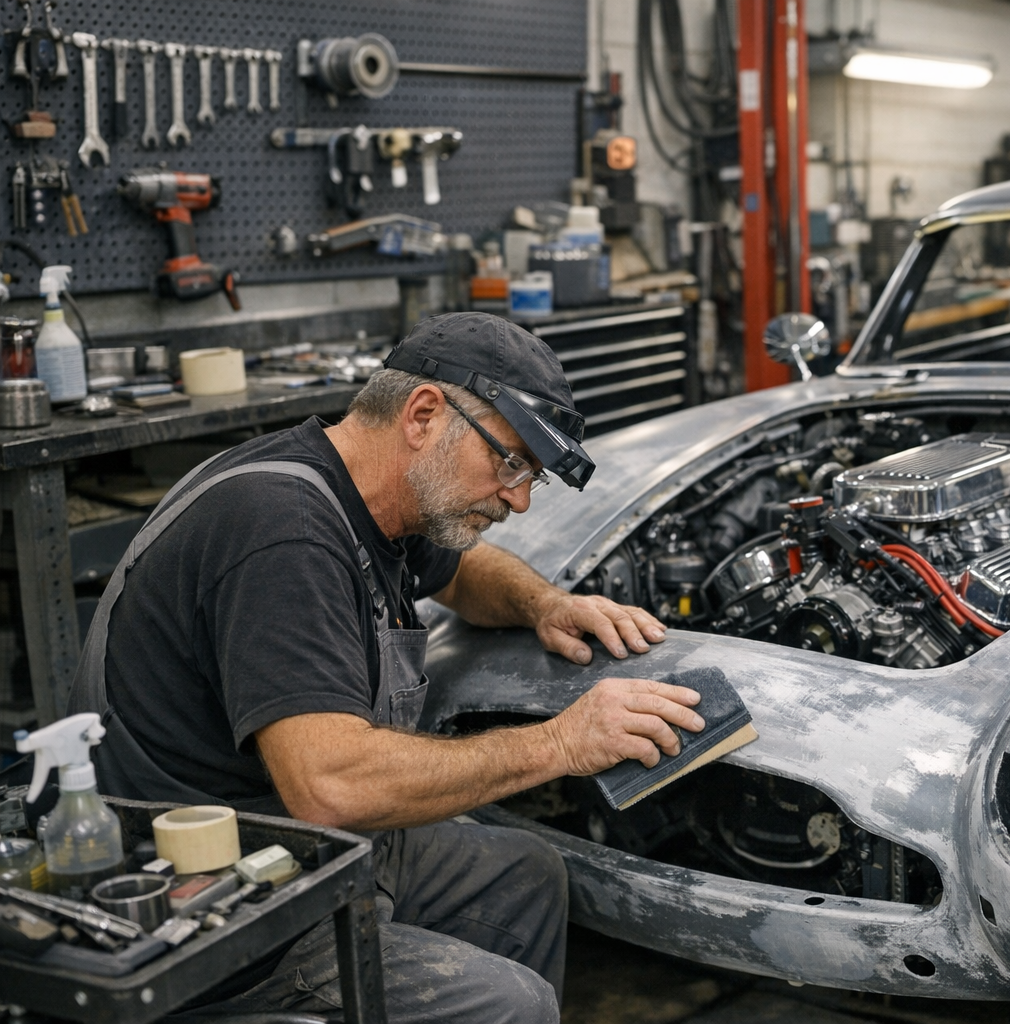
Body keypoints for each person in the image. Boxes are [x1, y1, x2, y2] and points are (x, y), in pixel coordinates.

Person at [67, 312, 704, 1024]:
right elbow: (331, 786)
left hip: (302, 841)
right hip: (223, 899)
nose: (520, 499)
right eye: (511, 462)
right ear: (425, 414)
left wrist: (543, 604)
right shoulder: (283, 534)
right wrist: (561, 743)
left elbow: (461, 573)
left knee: (526, 875)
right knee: (511, 1005)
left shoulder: (371, 495)